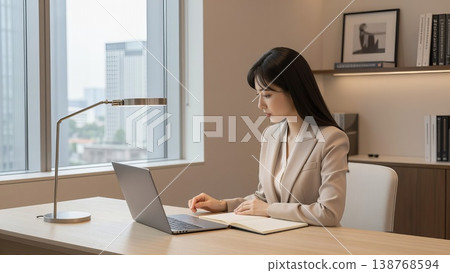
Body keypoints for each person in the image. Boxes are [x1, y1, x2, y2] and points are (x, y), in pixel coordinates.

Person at [188, 47, 349, 226]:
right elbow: (262, 198)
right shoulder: (270, 135)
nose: (260, 105)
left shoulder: (332, 139)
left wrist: (269, 210)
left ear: (294, 91)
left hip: (313, 243)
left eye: (267, 95)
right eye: (258, 95)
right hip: (276, 235)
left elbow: (328, 213)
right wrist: (222, 204)